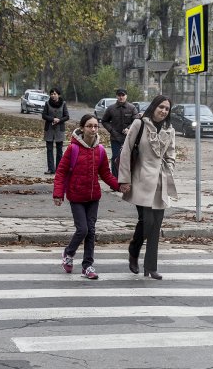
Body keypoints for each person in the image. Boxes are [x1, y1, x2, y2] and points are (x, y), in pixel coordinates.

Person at [52, 114, 123, 280]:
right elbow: (61, 172)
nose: (93, 129)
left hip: (93, 197)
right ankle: (69, 253)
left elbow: (105, 173)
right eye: (89, 126)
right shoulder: (73, 148)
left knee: (91, 232)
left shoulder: (100, 150)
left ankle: (87, 266)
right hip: (76, 196)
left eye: (96, 126)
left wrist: (119, 186)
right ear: (82, 128)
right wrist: (58, 194)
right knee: (82, 229)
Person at [118, 95, 177, 280]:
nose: (164, 111)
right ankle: (134, 251)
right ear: (154, 107)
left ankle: (151, 267)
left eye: (167, 108)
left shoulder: (169, 129)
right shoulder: (140, 124)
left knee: (156, 224)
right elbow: (126, 151)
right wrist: (124, 179)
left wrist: (169, 168)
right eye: (161, 107)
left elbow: (171, 153)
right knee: (147, 222)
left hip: (160, 181)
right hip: (140, 179)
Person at [102, 88, 139, 177]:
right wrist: (111, 130)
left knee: (129, 158)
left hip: (129, 138)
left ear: (126, 96)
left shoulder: (132, 108)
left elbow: (137, 120)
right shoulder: (111, 108)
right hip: (115, 138)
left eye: (123, 95)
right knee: (115, 157)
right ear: (116, 96)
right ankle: (115, 179)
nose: (121, 97)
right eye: (119, 95)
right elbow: (104, 121)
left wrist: (129, 128)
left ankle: (128, 178)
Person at [42, 88, 70, 174]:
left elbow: (67, 116)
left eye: (54, 94)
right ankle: (51, 169)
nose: (53, 95)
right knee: (49, 149)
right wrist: (52, 119)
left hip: (59, 130)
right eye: (51, 94)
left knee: (59, 150)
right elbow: (44, 115)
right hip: (49, 129)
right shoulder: (47, 103)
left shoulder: (63, 104)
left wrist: (59, 120)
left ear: (58, 95)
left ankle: (59, 169)